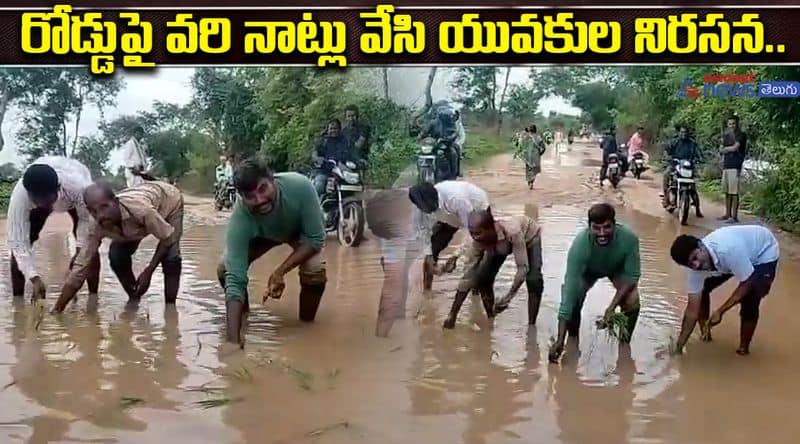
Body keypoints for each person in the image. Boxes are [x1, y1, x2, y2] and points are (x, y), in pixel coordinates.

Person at [216, 159, 327, 346]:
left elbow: (315, 239)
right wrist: (232, 343)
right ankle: (243, 314)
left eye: (263, 189)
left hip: (298, 232)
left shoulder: (300, 187)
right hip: (263, 236)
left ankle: (306, 326)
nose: (259, 200)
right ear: (241, 197)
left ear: (272, 179)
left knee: (314, 268)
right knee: (224, 268)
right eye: (250, 197)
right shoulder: (241, 217)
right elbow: (235, 276)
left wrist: (280, 272)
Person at [52, 180, 184, 312]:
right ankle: (134, 298)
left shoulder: (142, 211)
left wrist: (149, 271)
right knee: (116, 255)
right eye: (94, 211)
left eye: (104, 207)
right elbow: (81, 266)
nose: (101, 215)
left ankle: (170, 311)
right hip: (136, 214)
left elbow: (167, 238)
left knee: (171, 258)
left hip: (169, 200)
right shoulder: (95, 226)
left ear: (115, 202)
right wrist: (57, 309)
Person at [549, 203, 641, 362]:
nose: (602, 233)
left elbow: (632, 277)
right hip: (588, 271)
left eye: (607, 227)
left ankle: (624, 343)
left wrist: (611, 309)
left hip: (616, 269)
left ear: (615, 224)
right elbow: (569, 292)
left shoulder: (629, 239)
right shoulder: (580, 245)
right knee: (574, 300)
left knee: (632, 300)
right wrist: (559, 339)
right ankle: (572, 340)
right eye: (596, 228)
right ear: (589, 227)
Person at [669, 225, 779, 355]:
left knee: (751, 296)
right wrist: (679, 346)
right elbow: (692, 310)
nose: (696, 265)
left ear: (701, 246)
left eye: (695, 258)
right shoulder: (694, 269)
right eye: (690, 264)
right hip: (733, 260)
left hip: (762, 252)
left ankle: (743, 349)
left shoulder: (728, 249)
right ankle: (705, 333)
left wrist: (721, 311)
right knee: (702, 289)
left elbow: (747, 282)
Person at [7, 157, 99, 301]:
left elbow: (87, 221)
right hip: (45, 200)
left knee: (90, 249)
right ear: (29, 194)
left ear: (58, 188)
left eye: (47, 200)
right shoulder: (21, 197)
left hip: (74, 198)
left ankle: (94, 298)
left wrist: (80, 253)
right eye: (37, 201)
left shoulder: (79, 186)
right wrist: (34, 277)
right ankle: (17, 301)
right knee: (18, 251)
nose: (45, 205)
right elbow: (17, 242)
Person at [442, 207, 544, 328]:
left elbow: (523, 268)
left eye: (478, 233)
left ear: (491, 229)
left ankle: (531, 326)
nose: (475, 237)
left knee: (533, 279)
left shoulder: (512, 231)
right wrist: (452, 314)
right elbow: (468, 276)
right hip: (498, 244)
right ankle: (491, 316)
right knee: (483, 278)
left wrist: (507, 298)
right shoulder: (477, 240)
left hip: (529, 238)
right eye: (472, 233)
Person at [408, 180, 490, 290]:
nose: (425, 210)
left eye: (427, 207)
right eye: (422, 208)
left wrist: (455, 257)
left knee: (478, 251)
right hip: (449, 216)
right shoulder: (420, 207)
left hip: (477, 210)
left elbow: (472, 233)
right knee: (433, 247)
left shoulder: (456, 199)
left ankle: (475, 290)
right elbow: (421, 231)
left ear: (434, 198)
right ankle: (427, 292)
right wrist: (429, 256)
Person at [365, 188, 419, 337]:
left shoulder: (420, 215)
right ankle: (398, 313)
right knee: (396, 277)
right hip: (408, 228)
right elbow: (391, 285)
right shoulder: (387, 224)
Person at [661, 125, 703, 217]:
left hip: (688, 167)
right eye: (682, 132)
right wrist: (668, 157)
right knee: (666, 175)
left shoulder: (692, 144)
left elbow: (699, 153)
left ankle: (698, 209)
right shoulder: (674, 142)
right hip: (675, 164)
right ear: (679, 133)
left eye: (685, 132)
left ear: (688, 133)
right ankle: (666, 199)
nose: (683, 134)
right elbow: (667, 150)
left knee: (692, 187)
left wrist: (699, 159)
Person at [312, 118, 358, 198]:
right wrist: (317, 158)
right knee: (319, 185)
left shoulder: (345, 141)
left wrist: (357, 161)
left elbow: (351, 153)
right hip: (325, 171)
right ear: (327, 130)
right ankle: (316, 206)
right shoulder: (323, 141)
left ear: (339, 129)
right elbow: (315, 153)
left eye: (335, 128)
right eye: (331, 129)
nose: (333, 130)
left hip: (341, 171)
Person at [418, 107, 461, 179]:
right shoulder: (432, 123)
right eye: (444, 115)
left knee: (454, 152)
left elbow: (454, 133)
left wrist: (449, 139)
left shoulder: (450, 123)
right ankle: (420, 172)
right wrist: (421, 136)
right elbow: (425, 131)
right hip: (433, 144)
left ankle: (454, 174)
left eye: (447, 115)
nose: (446, 117)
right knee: (419, 153)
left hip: (445, 144)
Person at [719, 115, 747, 223]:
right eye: (730, 124)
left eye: (733, 123)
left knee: (734, 192)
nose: (731, 126)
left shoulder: (741, 135)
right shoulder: (726, 136)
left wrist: (726, 149)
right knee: (727, 191)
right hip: (727, 165)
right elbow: (721, 149)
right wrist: (727, 149)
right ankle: (727, 214)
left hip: (736, 165)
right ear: (727, 124)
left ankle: (734, 216)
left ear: (737, 124)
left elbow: (735, 147)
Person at [515, 124, 546, 189]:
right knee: (534, 170)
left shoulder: (525, 137)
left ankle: (529, 181)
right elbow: (543, 147)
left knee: (528, 169)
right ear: (535, 130)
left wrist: (520, 153)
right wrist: (540, 153)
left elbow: (520, 145)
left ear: (529, 130)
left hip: (527, 156)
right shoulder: (538, 137)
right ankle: (532, 182)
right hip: (536, 156)